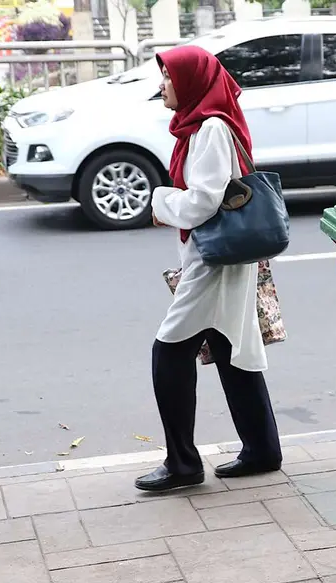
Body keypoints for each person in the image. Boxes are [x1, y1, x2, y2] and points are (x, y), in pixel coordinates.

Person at [136, 45, 283, 492]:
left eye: (167, 77)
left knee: (169, 349)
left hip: (213, 261)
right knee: (228, 344)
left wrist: (162, 202)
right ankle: (262, 450)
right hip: (220, 257)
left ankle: (182, 464)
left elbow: (204, 199)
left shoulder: (212, 128)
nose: (160, 85)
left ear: (192, 82)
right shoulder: (201, 126)